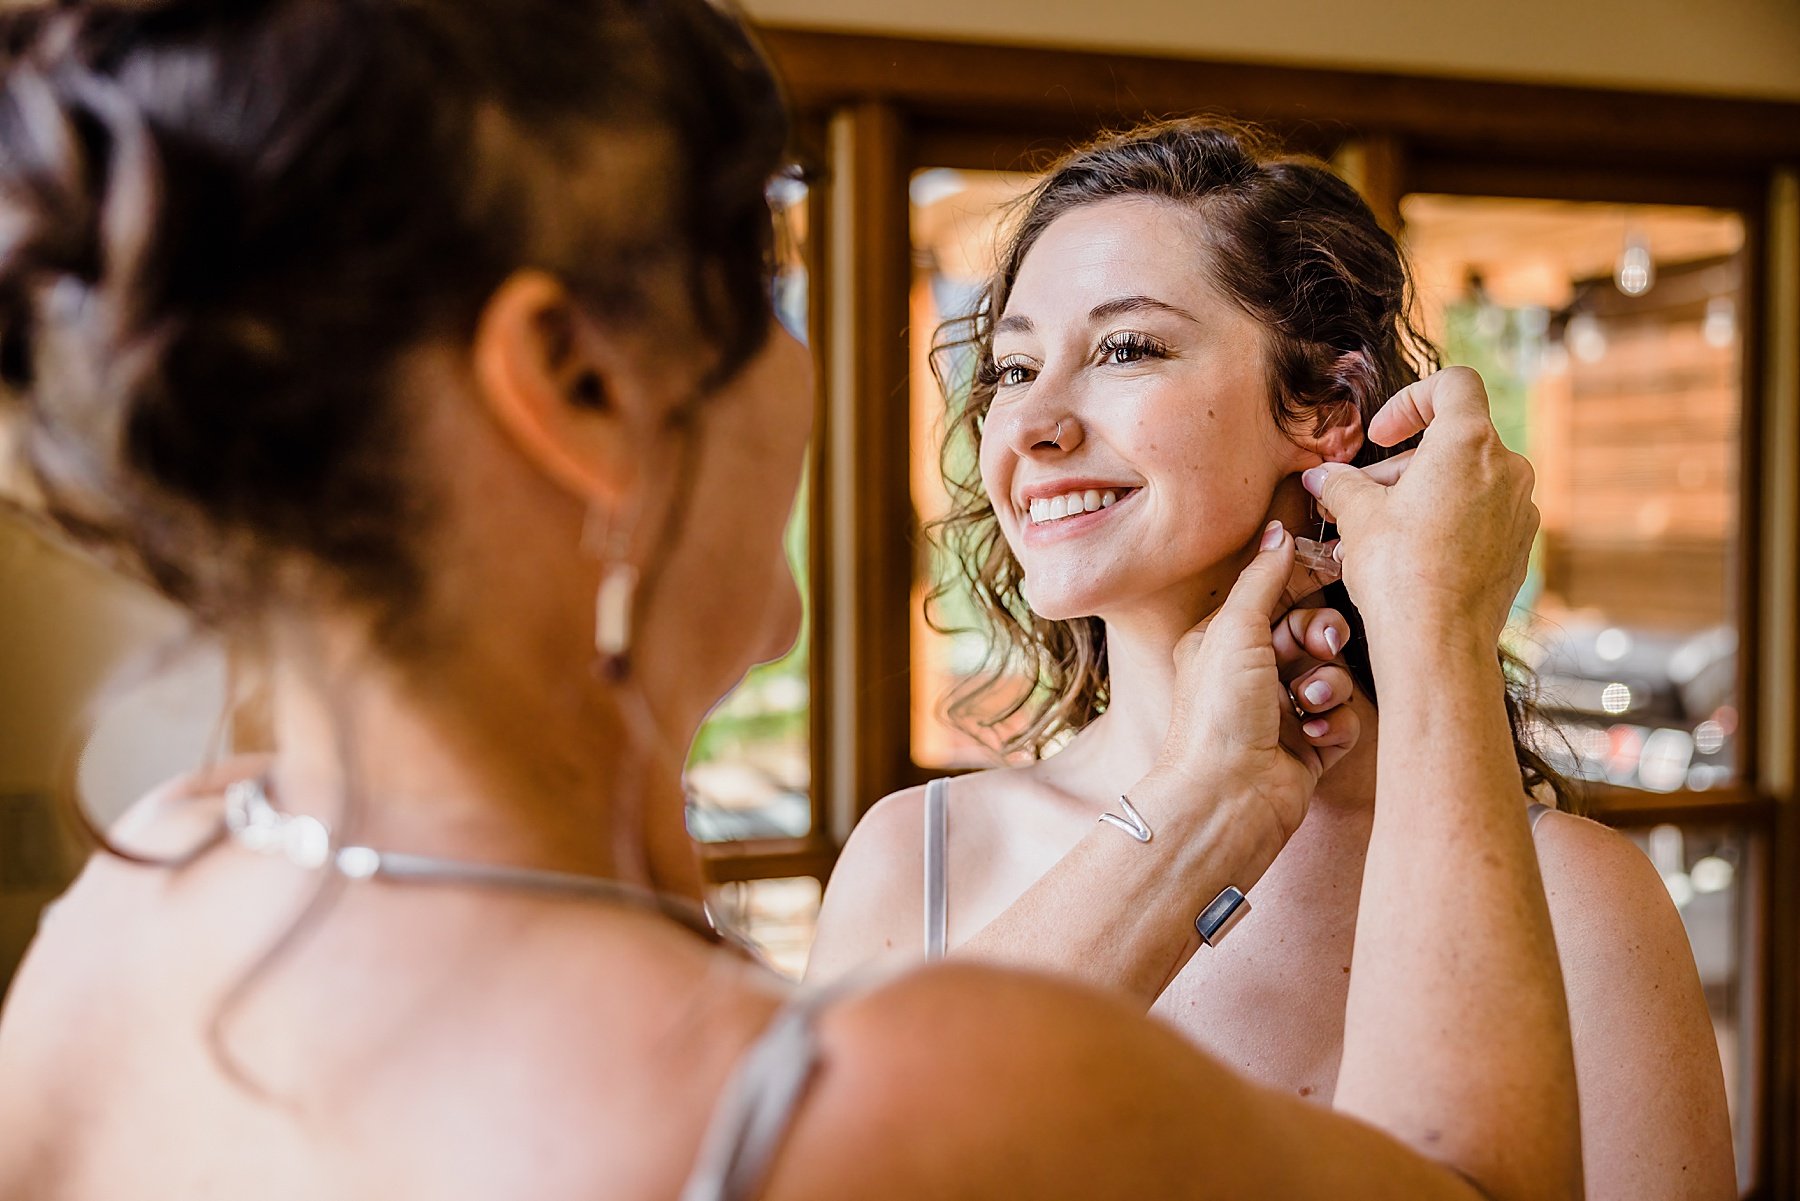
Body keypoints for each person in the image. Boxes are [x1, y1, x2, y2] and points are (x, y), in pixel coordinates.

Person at [0, 5, 1578, 1199]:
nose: (1005, 421)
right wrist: (1437, 635)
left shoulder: (141, 910)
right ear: (580, 386)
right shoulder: (837, 1100)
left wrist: (1209, 796)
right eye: (764, 297)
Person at [809, 120, 1735, 1199]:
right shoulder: (914, 860)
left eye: (1126, 347)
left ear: (1327, 413)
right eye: (1012, 367)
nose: (1032, 424)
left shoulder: (1577, 900)